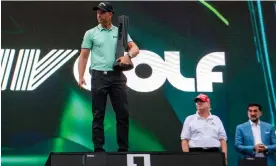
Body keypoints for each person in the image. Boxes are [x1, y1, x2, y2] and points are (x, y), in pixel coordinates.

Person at [78, 1, 139, 152]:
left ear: (110, 14)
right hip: (99, 76)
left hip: (117, 76)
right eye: (98, 12)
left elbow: (135, 49)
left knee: (122, 114)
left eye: (102, 12)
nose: (99, 14)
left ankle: (123, 148)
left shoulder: (120, 32)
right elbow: (84, 56)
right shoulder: (90, 33)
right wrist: (81, 76)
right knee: (98, 113)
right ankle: (98, 147)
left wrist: (128, 56)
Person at [180, 94, 227, 164]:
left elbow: (223, 140)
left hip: (214, 154)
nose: (198, 103)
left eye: (201, 101)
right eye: (197, 101)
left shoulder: (216, 119)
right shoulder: (189, 119)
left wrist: (225, 159)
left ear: (208, 104)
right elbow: (184, 140)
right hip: (195, 154)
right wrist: (187, 158)